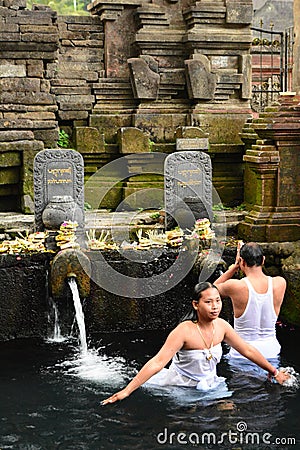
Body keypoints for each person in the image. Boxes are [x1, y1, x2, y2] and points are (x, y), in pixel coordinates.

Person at [101, 282, 289, 405]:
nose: (215, 306)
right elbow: (158, 362)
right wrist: (126, 391)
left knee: (229, 416)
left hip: (211, 385)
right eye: (208, 302)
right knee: (187, 426)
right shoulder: (184, 331)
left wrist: (274, 372)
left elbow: (247, 350)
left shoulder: (222, 326)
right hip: (181, 389)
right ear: (195, 304)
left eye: (217, 301)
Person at [214, 241, 286, 360]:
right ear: (263, 260)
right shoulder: (280, 283)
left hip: (242, 354)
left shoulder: (236, 286)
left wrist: (234, 267)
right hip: (271, 353)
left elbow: (210, 290)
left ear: (242, 261)